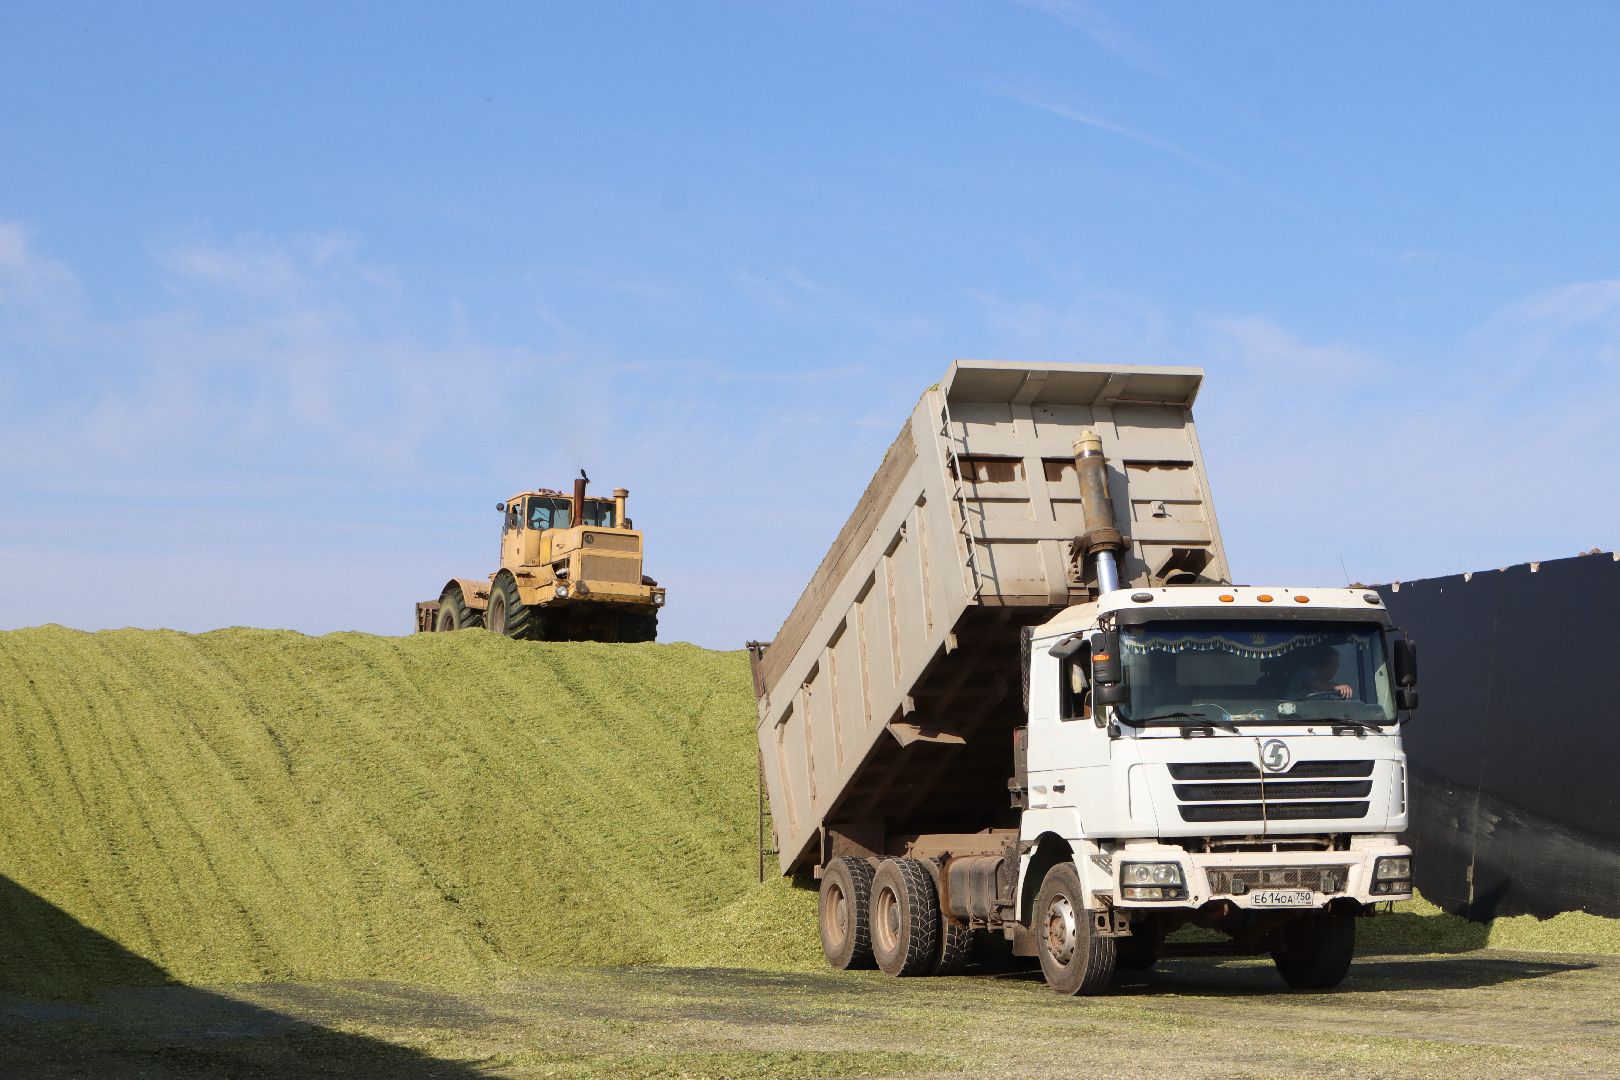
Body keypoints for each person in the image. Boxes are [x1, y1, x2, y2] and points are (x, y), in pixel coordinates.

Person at [1287, 645, 1353, 700]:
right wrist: (1337, 687)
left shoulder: (1325, 686)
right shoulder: (1305, 671)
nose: (1336, 670)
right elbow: (1315, 683)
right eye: (1333, 665)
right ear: (1323, 662)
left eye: (1337, 666)